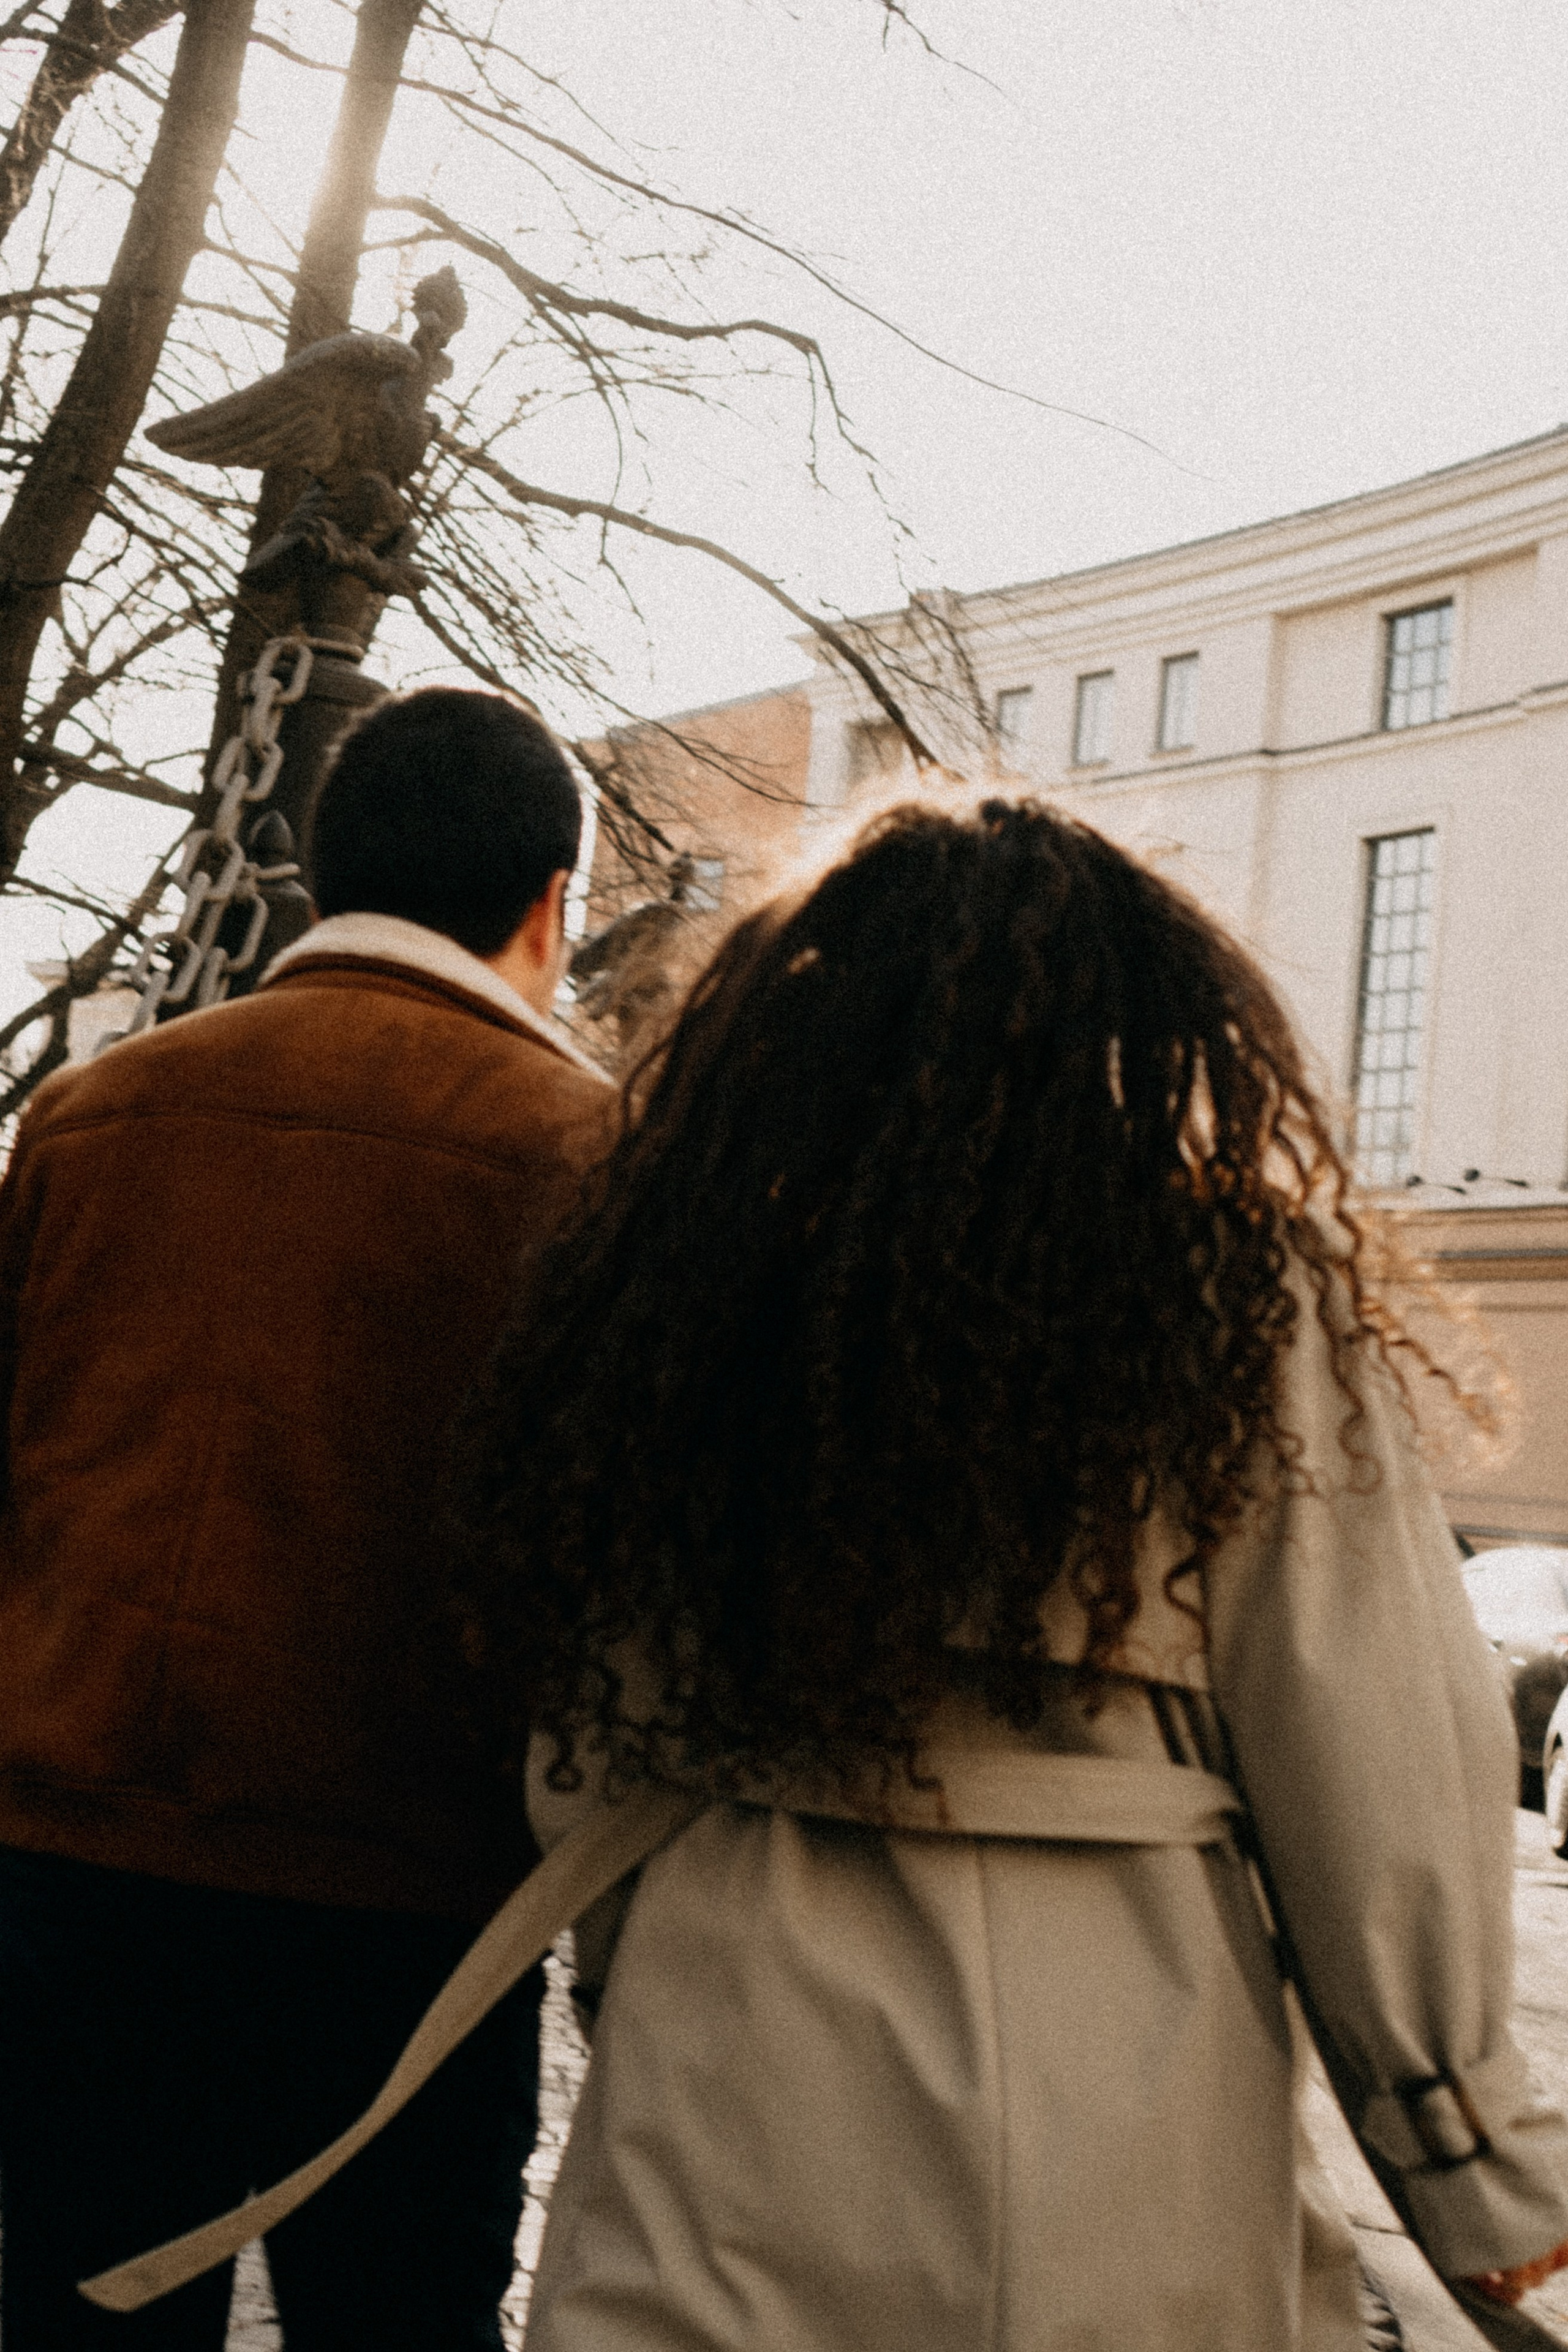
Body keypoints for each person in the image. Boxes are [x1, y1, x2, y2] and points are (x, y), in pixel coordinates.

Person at [451, 799, 1568, 2351]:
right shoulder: (1236, 1307)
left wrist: (643, 1992)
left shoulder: (681, 1284)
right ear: (1143, 1030)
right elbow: (1377, 1777)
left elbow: (586, 1744)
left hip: (728, 2069)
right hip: (1123, 2103)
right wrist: (1483, 2196)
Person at [0, 687, 613, 2350]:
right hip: (408, 1919)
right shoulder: (588, 1155)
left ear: (316, 870)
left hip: (68, 1886)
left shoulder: (85, 1117)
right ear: (551, 902)